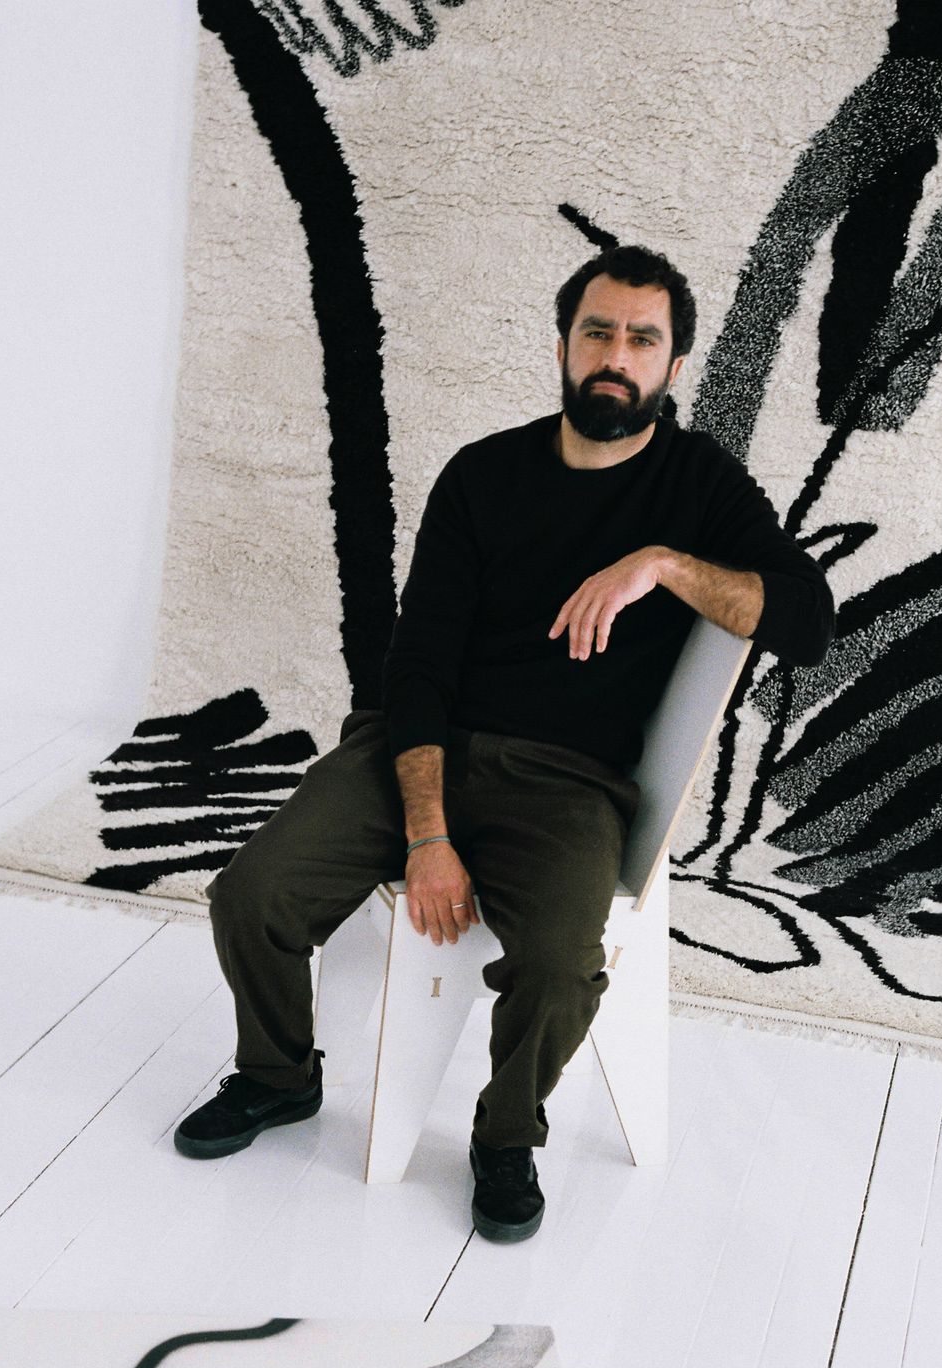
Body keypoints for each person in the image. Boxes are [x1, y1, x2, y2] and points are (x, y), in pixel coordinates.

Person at [173, 244, 835, 1243]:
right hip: (418, 747)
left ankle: (504, 1134)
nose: (616, 355)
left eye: (642, 339)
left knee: (563, 964)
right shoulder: (484, 476)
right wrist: (428, 835)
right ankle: (278, 1075)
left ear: (673, 364)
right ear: (565, 345)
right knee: (252, 894)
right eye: (598, 332)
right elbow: (416, 668)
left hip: (569, 782)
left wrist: (660, 564)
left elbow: (808, 620)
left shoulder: (699, 486)